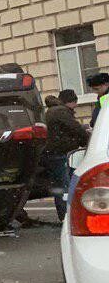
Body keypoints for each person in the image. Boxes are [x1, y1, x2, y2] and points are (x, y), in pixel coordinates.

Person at [44, 89, 90, 222]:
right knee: (65, 186)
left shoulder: (53, 110)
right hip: (60, 154)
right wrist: (88, 141)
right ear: (72, 102)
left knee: (62, 186)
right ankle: (68, 217)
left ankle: (66, 216)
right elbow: (76, 129)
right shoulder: (61, 111)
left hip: (54, 153)